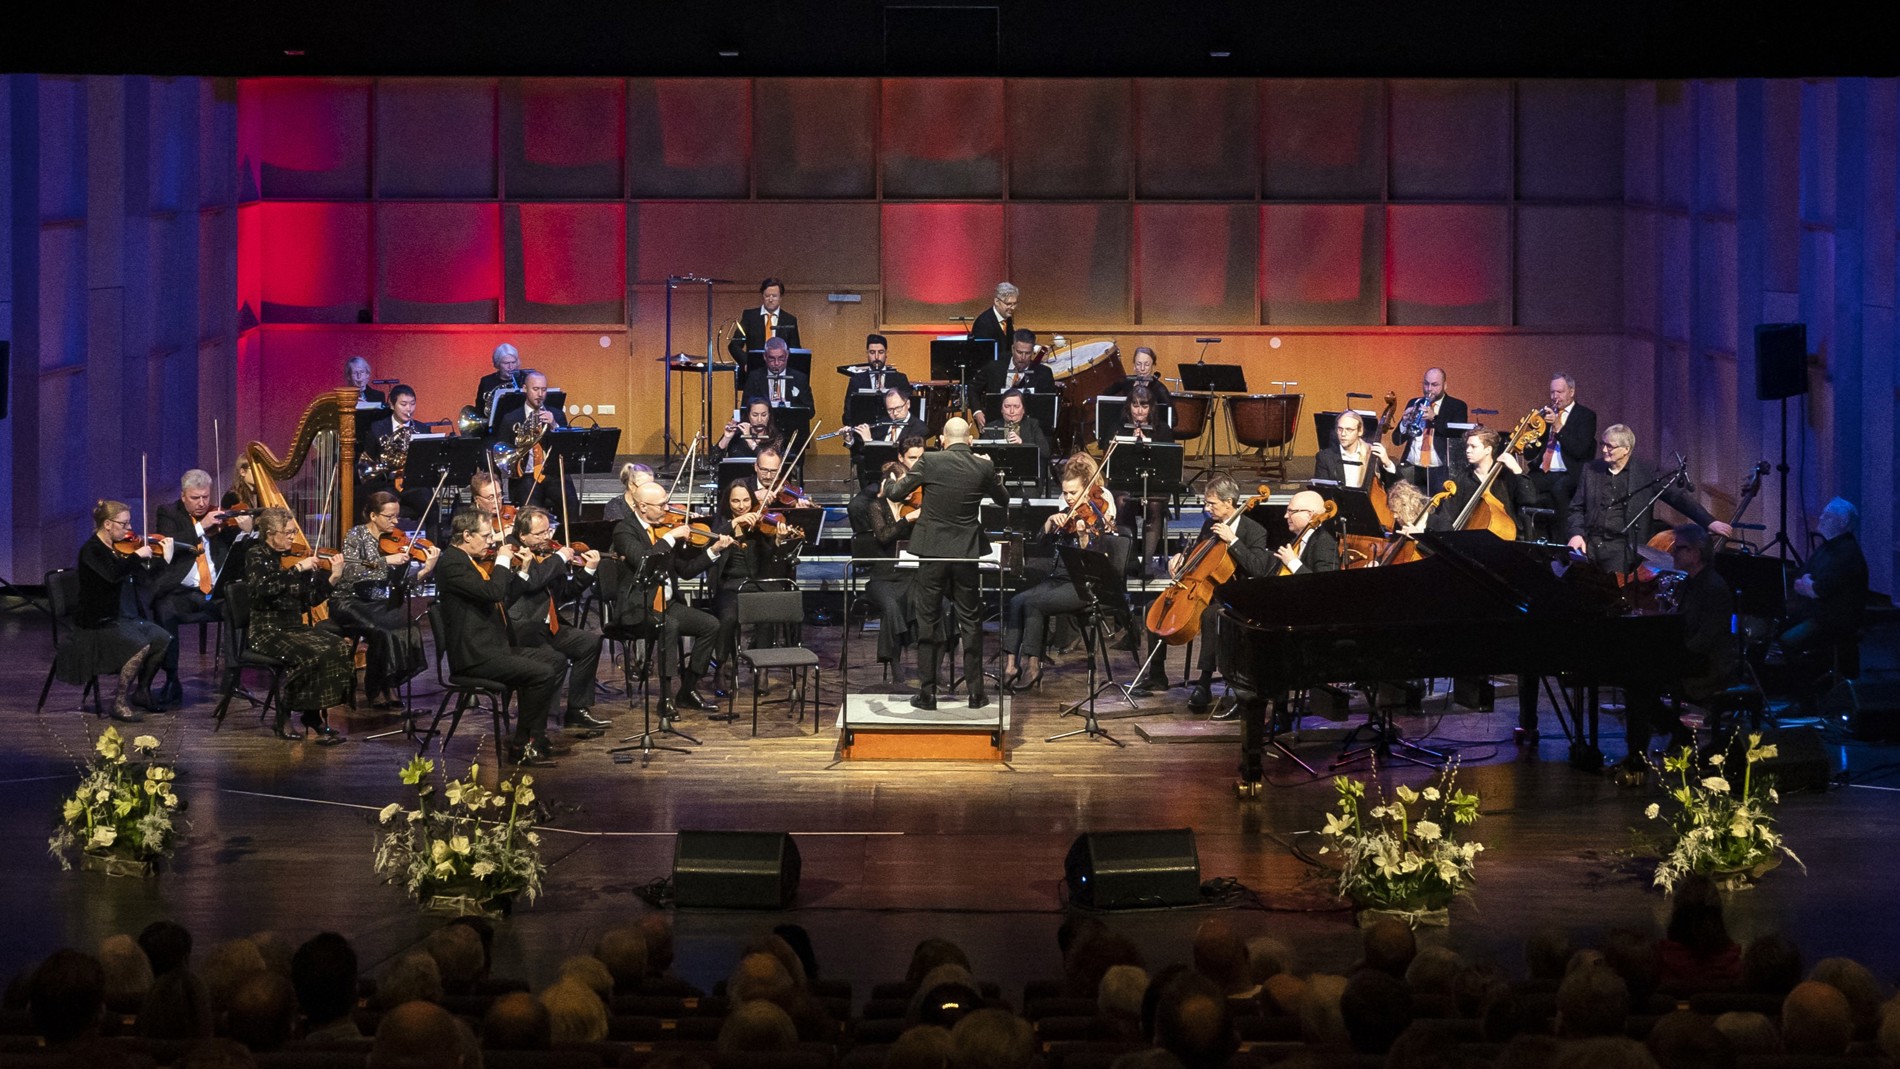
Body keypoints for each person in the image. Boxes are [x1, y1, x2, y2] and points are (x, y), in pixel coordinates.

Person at [883, 417, 1010, 710]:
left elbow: (895, 494)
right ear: (970, 441)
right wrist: (992, 474)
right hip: (965, 553)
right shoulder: (983, 466)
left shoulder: (930, 460)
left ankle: (927, 694)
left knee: (928, 620)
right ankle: (976, 693)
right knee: (970, 621)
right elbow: (1003, 501)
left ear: (942, 439)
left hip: (933, 553)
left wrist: (891, 484)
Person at [434, 508, 566, 766]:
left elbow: (503, 599)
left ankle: (533, 738)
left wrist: (524, 571)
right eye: (486, 536)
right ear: (467, 535)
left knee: (556, 661)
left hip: (494, 647)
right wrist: (504, 560)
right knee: (542, 673)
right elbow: (493, 592)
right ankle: (523, 743)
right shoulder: (452, 563)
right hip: (475, 656)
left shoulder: (470, 560)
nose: (492, 540)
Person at [1616, 524, 1739, 774]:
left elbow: (1706, 639)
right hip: (1689, 657)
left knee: (1639, 684)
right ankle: (1668, 735)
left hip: (1708, 665)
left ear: (1696, 553)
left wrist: (1669, 657)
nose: (1673, 555)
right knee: (1635, 679)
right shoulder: (1689, 583)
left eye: (1679, 549)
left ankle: (1650, 748)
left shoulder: (1713, 588)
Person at [612, 482, 734, 716]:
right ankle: (665, 698)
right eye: (662, 505)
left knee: (711, 625)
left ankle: (687, 690)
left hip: (668, 604)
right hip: (638, 606)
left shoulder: (663, 528)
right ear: (643, 507)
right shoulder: (624, 530)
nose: (668, 508)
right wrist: (670, 537)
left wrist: (714, 550)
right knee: (669, 626)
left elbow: (686, 570)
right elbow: (642, 559)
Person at [1002, 457, 1123, 693]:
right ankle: (1010, 666)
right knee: (1016, 601)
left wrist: (1082, 536)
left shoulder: (1096, 518)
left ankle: (1033, 666)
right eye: (1065, 493)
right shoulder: (1065, 514)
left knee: (1035, 604)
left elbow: (1094, 557)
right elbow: (1041, 542)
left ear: (1087, 490)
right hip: (1057, 579)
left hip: (1082, 585)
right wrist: (1048, 522)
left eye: (1073, 493)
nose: (1068, 498)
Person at [245, 507, 353, 745]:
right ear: (271, 533)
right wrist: (296, 570)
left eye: (294, 532)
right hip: (267, 630)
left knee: (338, 647)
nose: (294, 538)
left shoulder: (293, 557)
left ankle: (312, 715)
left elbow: (310, 600)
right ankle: (283, 713)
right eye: (289, 533)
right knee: (309, 656)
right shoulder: (256, 555)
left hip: (294, 627)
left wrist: (333, 578)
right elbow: (264, 588)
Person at [1170, 476, 1277, 716]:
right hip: (1207, 588)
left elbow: (1258, 568)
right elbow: (1198, 556)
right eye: (1206, 503)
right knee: (1163, 606)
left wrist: (1234, 541)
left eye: (1212, 504)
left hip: (1240, 596)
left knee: (1210, 615)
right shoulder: (1209, 526)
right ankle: (1155, 675)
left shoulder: (1254, 530)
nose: (1206, 509)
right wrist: (1180, 560)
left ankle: (1204, 684)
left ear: (1229, 503)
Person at [1565, 424, 1731, 573]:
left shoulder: (1646, 472)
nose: (1604, 450)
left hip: (1623, 549)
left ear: (1626, 450)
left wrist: (1709, 522)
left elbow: (1677, 497)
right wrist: (1576, 534)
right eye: (1603, 444)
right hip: (1591, 544)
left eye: (1610, 446)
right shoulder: (1591, 470)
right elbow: (1576, 508)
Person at [150, 469, 252, 708]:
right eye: (195, 498)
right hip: (181, 591)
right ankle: (172, 679)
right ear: (183, 495)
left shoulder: (218, 515)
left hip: (213, 592)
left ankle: (232, 677)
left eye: (205, 497)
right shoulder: (168, 513)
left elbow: (239, 549)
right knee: (164, 610)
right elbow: (172, 541)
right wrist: (200, 527)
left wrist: (245, 530)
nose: (202, 503)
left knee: (237, 606)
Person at [504, 506, 610, 734]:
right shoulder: (513, 553)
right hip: (525, 630)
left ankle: (577, 710)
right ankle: (541, 725)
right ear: (523, 536)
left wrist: (588, 571)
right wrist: (561, 558)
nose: (547, 538)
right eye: (540, 534)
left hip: (549, 626)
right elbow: (532, 581)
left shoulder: (548, 555)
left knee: (589, 643)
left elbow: (564, 593)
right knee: (555, 659)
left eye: (548, 531)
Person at [329, 492, 437, 711]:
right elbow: (350, 571)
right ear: (373, 515)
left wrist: (426, 570)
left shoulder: (396, 541)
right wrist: (384, 561)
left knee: (408, 627)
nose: (395, 522)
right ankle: (375, 688)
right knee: (381, 631)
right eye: (389, 517)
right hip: (350, 600)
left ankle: (391, 682)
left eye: (397, 516)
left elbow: (403, 584)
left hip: (378, 602)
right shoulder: (356, 535)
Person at [67, 500, 174, 721]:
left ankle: (142, 691)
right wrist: (136, 557)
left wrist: (165, 560)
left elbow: (145, 581)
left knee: (162, 638)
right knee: (139, 645)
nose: (128, 530)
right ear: (107, 524)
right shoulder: (91, 550)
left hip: (120, 618)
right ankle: (119, 702)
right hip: (96, 623)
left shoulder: (118, 550)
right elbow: (112, 575)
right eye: (124, 524)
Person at [1777, 497, 1869, 677]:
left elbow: (1819, 588)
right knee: (1776, 626)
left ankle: (1807, 694)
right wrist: (1807, 585)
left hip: (1833, 620)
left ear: (1842, 522)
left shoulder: (1847, 553)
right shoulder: (1826, 548)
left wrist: (1809, 586)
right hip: (1817, 613)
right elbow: (1802, 579)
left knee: (1788, 641)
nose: (1820, 518)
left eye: (1826, 515)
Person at [704, 481, 774, 694]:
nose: (742, 505)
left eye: (745, 500)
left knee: (766, 616)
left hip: (754, 583)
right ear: (728, 502)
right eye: (736, 500)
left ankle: (762, 670)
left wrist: (777, 539)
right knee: (727, 618)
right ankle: (721, 667)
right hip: (728, 585)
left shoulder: (758, 522)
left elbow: (768, 557)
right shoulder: (720, 522)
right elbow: (712, 540)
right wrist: (735, 522)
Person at [849, 458, 918, 668]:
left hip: (909, 576)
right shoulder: (876, 507)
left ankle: (928, 669)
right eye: (902, 485)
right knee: (891, 607)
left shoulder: (914, 506)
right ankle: (896, 669)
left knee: (932, 604)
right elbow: (884, 536)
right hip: (882, 578)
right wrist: (906, 520)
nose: (908, 490)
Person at [1524, 373, 1598, 535]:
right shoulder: (1545, 415)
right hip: (1544, 472)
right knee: (1521, 485)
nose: (1555, 396)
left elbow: (1580, 450)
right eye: (1552, 392)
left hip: (1570, 472)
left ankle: (1566, 540)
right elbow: (1530, 454)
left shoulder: (1585, 416)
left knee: (1559, 489)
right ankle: (1527, 537)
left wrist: (1558, 427)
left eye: (1560, 392)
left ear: (1571, 392)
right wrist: (1527, 440)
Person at [1112, 387, 1176, 569]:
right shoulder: (1118, 429)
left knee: (1154, 505)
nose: (1139, 411)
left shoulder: (1162, 429)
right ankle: (1130, 560)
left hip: (1154, 484)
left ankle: (1146, 563)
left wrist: (1147, 443)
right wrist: (1129, 443)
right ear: (1129, 406)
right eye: (1135, 405)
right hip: (1126, 483)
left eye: (1144, 406)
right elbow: (1114, 463)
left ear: (1151, 408)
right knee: (1124, 503)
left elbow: (1167, 463)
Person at [1427, 430, 1532, 537]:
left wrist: (1517, 470)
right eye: (1467, 446)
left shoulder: (1506, 476)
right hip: (1469, 539)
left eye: (1473, 446)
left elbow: (1529, 500)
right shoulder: (1462, 479)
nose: (1468, 450)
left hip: (1507, 538)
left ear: (1488, 449)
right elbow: (1446, 516)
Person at [1388, 367, 1469, 490]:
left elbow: (1458, 436)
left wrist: (1434, 419)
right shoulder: (1414, 403)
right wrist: (1404, 423)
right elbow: (1396, 440)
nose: (1429, 389)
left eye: (1435, 385)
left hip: (1440, 471)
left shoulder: (1457, 406)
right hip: (1411, 468)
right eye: (1426, 384)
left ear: (1445, 385)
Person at [973, 330, 1055, 430]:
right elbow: (973, 389)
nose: (1023, 358)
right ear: (1013, 349)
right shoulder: (994, 368)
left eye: (1028, 353)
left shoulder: (1044, 373)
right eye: (1019, 352)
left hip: (1030, 429)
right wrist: (977, 412)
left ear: (1033, 351)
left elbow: (1047, 407)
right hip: (996, 425)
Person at [978, 389, 1052, 484]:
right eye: (1007, 406)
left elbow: (1045, 452)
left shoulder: (1033, 425)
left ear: (1023, 409)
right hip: (995, 479)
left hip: (1025, 477)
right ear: (1001, 409)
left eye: (1016, 407)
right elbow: (981, 452)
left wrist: (1022, 443)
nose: (1012, 411)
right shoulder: (991, 426)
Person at [1313, 409, 1396, 491]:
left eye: (1349, 430)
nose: (1343, 434)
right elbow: (1321, 491)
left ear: (1360, 431)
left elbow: (1395, 488)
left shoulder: (1372, 453)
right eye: (1340, 429)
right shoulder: (1325, 457)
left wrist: (1387, 463)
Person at [843, 333, 913, 425]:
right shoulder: (856, 381)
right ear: (867, 353)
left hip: (893, 431)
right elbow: (848, 413)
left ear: (886, 354)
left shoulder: (899, 379)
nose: (876, 357)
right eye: (872, 352)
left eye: (880, 352)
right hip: (864, 430)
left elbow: (908, 411)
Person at [728, 276, 801, 362]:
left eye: (774, 296)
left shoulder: (790, 320)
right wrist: (747, 362)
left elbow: (795, 349)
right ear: (762, 295)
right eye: (767, 296)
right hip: (754, 369)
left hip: (779, 370)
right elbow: (734, 345)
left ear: (781, 297)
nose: (770, 299)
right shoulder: (750, 317)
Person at [1275, 488, 1343, 575]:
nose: (1286, 516)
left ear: (1310, 515)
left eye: (1291, 511)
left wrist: (1292, 562)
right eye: (1287, 511)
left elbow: (1324, 584)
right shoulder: (1296, 540)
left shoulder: (1324, 543)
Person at [851, 387, 927, 449]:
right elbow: (860, 452)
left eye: (898, 408)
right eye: (890, 410)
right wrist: (850, 439)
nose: (895, 413)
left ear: (908, 404)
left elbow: (901, 453)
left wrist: (870, 442)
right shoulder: (882, 423)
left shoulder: (919, 428)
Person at [1107, 346, 1174, 411]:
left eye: (1147, 365)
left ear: (1153, 366)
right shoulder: (1124, 382)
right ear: (1134, 366)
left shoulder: (1159, 388)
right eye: (1138, 364)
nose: (1142, 368)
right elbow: (1102, 399)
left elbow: (1173, 418)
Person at [716, 397, 780, 463]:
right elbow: (712, 460)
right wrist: (726, 438)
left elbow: (769, 462)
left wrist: (749, 440)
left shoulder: (775, 437)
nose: (759, 420)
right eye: (755, 415)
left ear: (769, 415)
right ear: (748, 415)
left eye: (764, 415)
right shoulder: (737, 435)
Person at [474, 342, 524, 416]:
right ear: (497, 364)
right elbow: (480, 408)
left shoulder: (525, 379)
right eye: (506, 363)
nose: (510, 367)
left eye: (513, 362)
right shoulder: (487, 381)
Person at [969, 282, 1018, 352]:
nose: (1013, 308)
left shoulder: (1007, 317)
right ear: (997, 301)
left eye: (1015, 304)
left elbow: (1010, 343)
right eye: (1009, 304)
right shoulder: (983, 323)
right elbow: (984, 355)